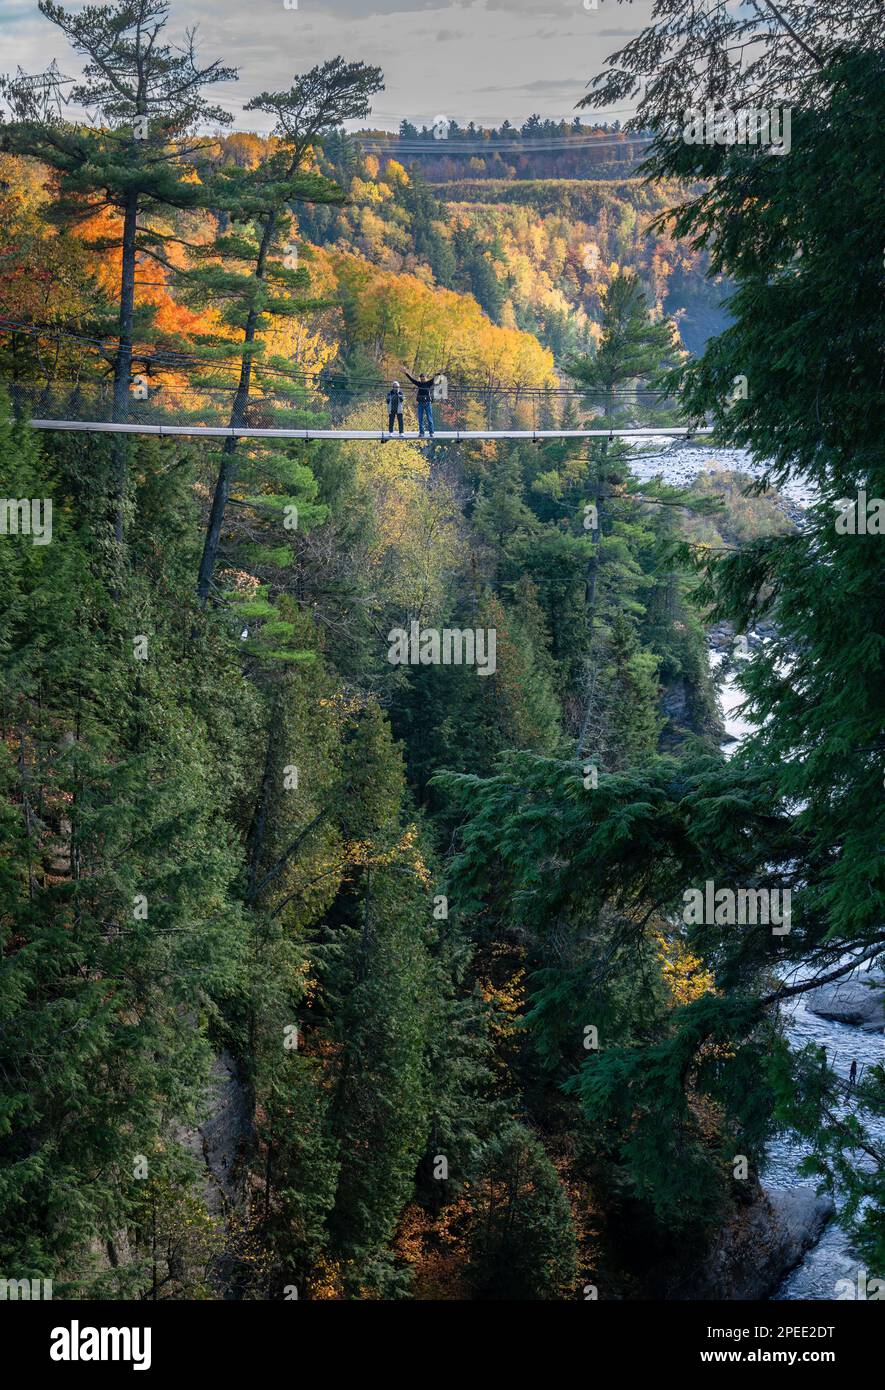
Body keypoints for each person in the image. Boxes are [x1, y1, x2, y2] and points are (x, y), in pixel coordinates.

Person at [404, 368, 439, 438]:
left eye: (423, 377)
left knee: (429, 418)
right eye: (421, 378)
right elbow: (412, 380)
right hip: (420, 403)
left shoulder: (428, 383)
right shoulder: (419, 384)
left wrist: (439, 374)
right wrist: (406, 373)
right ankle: (421, 432)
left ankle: (431, 432)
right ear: (420, 378)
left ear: (425, 378)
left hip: (427, 403)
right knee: (420, 419)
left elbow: (435, 379)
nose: (422, 379)